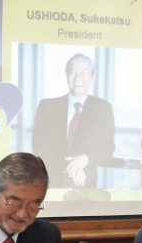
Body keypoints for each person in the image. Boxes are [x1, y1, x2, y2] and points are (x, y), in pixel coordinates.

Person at [32, 53, 115, 189]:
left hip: (85, 184)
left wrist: (85, 158)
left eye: (83, 72)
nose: (77, 78)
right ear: (66, 76)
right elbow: (38, 146)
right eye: (72, 72)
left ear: (92, 77)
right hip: (51, 183)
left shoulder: (103, 108)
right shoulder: (47, 107)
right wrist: (71, 168)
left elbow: (108, 147)